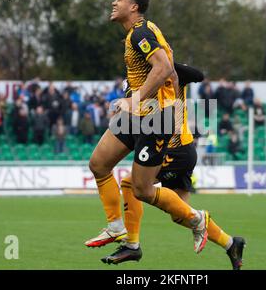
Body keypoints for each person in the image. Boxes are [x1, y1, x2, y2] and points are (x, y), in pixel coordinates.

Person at [86, 0, 210, 262]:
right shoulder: (136, 34)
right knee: (98, 164)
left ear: (134, 7)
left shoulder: (142, 32)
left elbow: (164, 68)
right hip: (138, 114)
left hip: (157, 117)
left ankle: (196, 219)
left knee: (141, 189)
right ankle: (116, 226)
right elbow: (164, 70)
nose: (113, 2)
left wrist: (135, 98)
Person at [88, 63, 246, 269]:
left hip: (175, 147)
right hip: (174, 147)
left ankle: (133, 245)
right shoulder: (138, 75)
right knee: (179, 214)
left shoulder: (165, 69)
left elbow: (198, 74)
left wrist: (165, 63)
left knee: (132, 185)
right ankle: (231, 243)